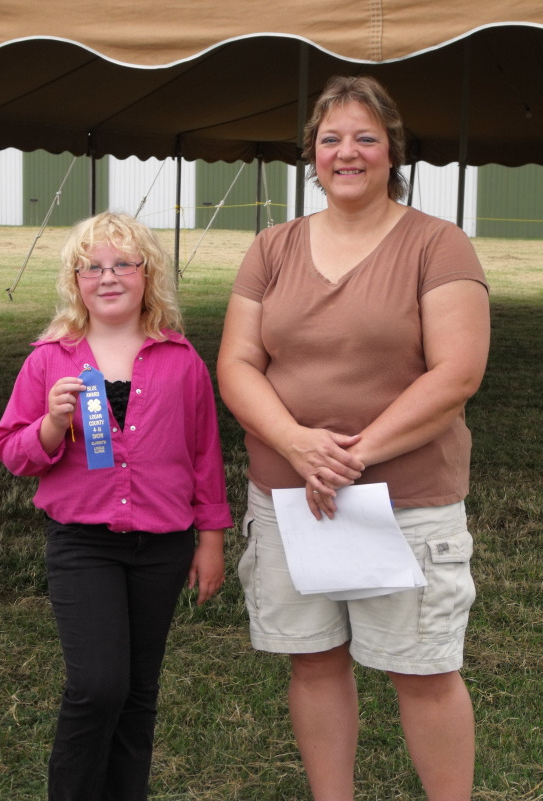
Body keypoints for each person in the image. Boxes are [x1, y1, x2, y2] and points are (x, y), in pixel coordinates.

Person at [217, 75, 490, 801]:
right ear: (312, 153)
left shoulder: (437, 244)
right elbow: (237, 363)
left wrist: (348, 456)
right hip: (290, 499)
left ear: (391, 151)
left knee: (422, 671)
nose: (347, 152)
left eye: (366, 138)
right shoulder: (272, 248)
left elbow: (458, 372)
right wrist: (296, 444)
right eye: (331, 138)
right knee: (314, 662)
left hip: (405, 503)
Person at [0, 211, 233, 801]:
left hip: (163, 544)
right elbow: (14, 452)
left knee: (137, 693)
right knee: (97, 686)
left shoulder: (181, 360)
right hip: (83, 544)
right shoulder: (49, 359)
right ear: (74, 280)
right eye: (92, 267)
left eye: (124, 264)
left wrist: (211, 539)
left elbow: (204, 454)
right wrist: (51, 425)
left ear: (148, 275)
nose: (108, 277)